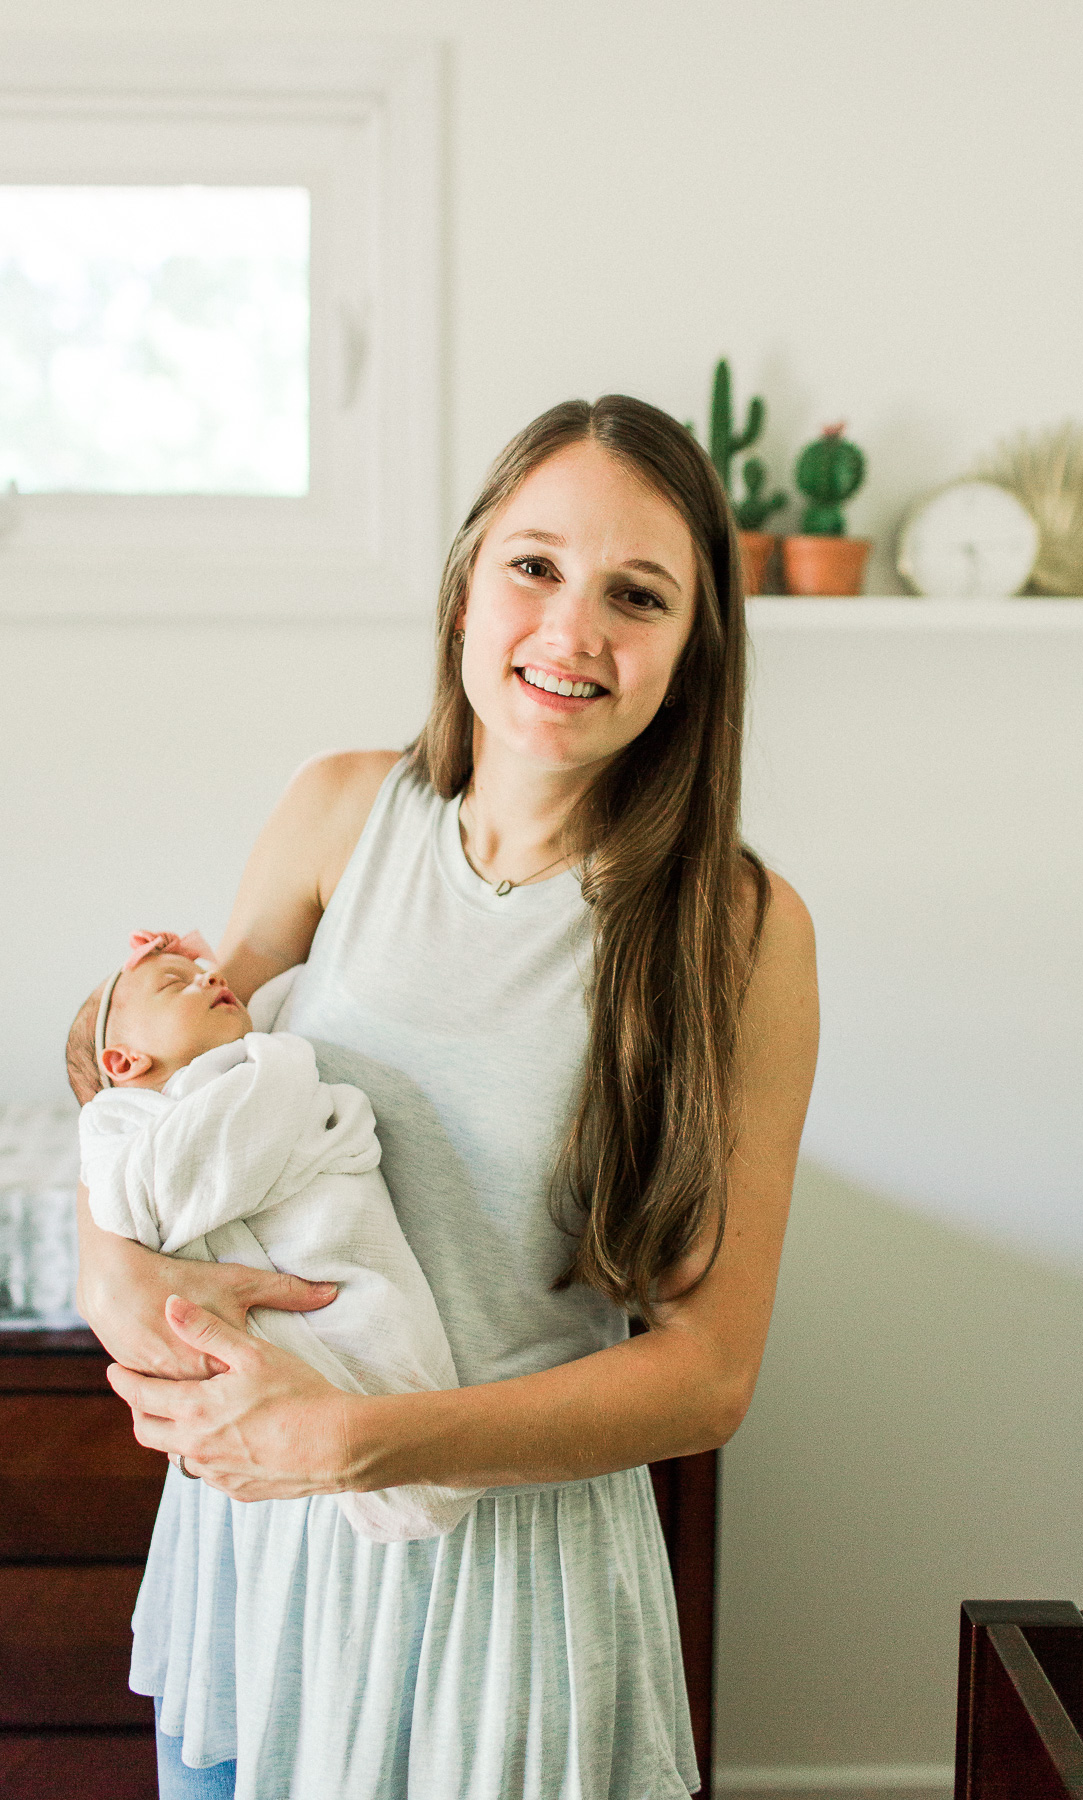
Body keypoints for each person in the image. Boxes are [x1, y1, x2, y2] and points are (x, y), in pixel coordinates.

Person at [75, 394, 820, 1800]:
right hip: (269, 1560)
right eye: (535, 565)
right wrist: (110, 1272)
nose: (573, 630)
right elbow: (162, 1086)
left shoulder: (739, 928)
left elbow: (708, 1374)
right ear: (467, 584)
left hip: (507, 1600)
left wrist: (361, 1440)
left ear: (694, 649)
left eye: (638, 594)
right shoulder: (342, 810)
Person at [69, 931, 476, 1541]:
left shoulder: (244, 1069)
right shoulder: (123, 1124)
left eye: (205, 972)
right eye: (175, 983)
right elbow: (137, 1200)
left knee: (382, 1334)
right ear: (123, 1062)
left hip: (341, 1255)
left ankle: (399, 1456)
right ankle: (398, 1473)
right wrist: (280, 1069)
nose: (210, 977)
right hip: (266, 1307)